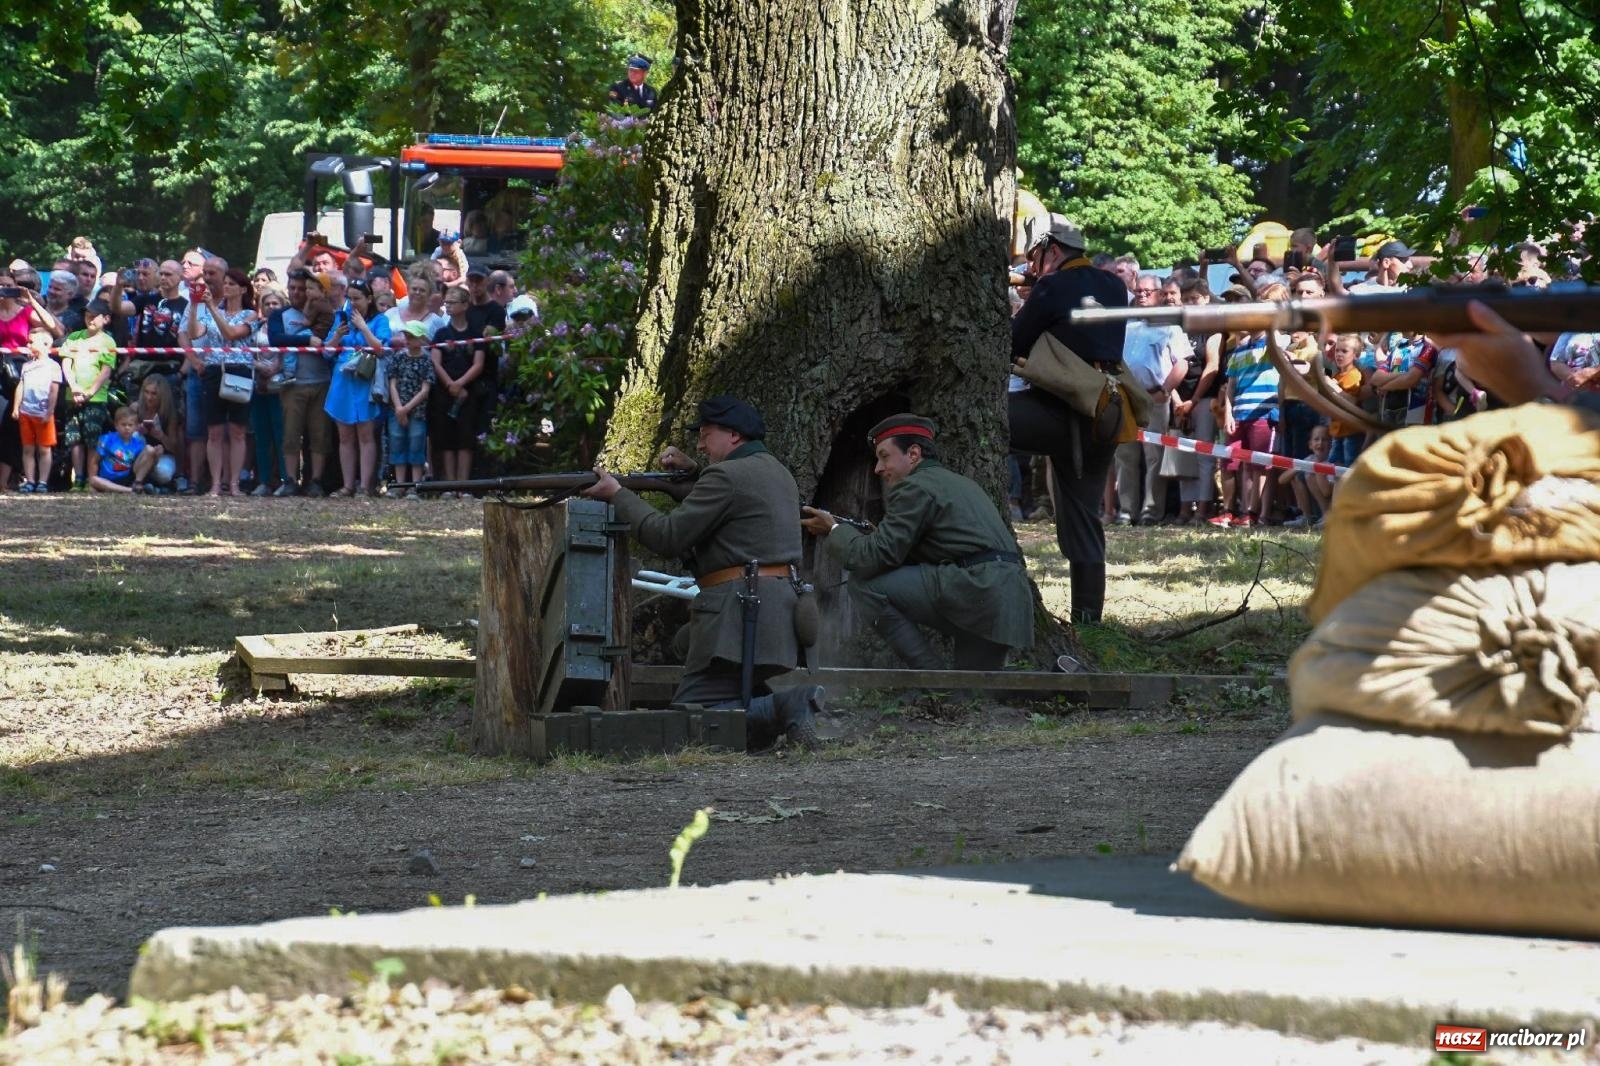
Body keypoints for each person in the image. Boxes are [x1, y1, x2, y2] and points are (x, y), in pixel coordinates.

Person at [579, 396, 822, 749]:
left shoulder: (726, 475)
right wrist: (696, 475)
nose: (699, 443)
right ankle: (775, 712)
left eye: (706, 435)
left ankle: (789, 705)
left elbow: (668, 536)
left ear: (734, 435)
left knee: (690, 720)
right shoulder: (775, 471)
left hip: (739, 617)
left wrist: (617, 494)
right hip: (773, 614)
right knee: (691, 653)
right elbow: (735, 511)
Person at [801, 414, 1034, 671]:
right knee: (972, 693)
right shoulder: (960, 483)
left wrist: (833, 529)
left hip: (978, 591)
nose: (878, 468)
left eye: (884, 456)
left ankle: (929, 673)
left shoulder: (914, 487)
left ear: (913, 454)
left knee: (864, 584)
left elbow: (869, 558)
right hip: (1006, 600)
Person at [1007, 216, 1130, 624]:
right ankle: (1088, 620)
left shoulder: (1052, 286)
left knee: (983, 423)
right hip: (1105, 412)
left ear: (1053, 251)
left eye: (1037, 257)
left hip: (1056, 413)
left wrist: (1032, 294)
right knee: (1084, 518)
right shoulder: (1115, 285)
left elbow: (1013, 342)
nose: (1033, 265)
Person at [185, 260, 257, 496]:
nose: (226, 287)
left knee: (237, 431)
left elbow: (231, 333)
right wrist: (196, 306)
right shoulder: (212, 311)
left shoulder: (250, 315)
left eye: (231, 284)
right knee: (214, 432)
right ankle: (215, 484)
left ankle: (234, 483)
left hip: (240, 370)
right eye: (224, 283)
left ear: (243, 289)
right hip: (214, 371)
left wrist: (212, 308)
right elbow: (195, 333)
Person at [323, 277, 389, 495]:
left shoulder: (380, 320)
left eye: (357, 299)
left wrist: (362, 327)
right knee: (345, 436)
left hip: (365, 378)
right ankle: (348, 485)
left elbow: (380, 348)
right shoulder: (340, 319)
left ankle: (365, 485)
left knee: (366, 435)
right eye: (349, 298)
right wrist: (336, 336)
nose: (353, 303)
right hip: (343, 379)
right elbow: (326, 352)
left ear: (369, 298)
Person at [427, 286, 486, 486]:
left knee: (465, 438)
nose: (448, 306)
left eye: (453, 303)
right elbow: (435, 361)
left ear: (464, 305)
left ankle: (464, 484)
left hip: (468, 393)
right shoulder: (441, 334)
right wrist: (450, 384)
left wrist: (461, 383)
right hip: (444, 392)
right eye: (447, 303)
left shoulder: (475, 333)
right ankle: (450, 484)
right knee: (446, 438)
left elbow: (478, 364)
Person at [59, 299, 119, 490]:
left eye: (95, 316)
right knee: (74, 439)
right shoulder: (74, 337)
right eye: (87, 315)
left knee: (92, 439)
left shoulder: (108, 341)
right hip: (72, 395)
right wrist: (74, 387)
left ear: (106, 319)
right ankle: (78, 479)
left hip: (96, 398)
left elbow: (106, 371)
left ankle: (92, 480)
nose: (90, 319)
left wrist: (90, 392)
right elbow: (66, 364)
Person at [386, 322, 435, 497]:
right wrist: (399, 408)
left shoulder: (427, 360)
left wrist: (406, 409)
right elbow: (392, 384)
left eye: (412, 336)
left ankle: (416, 485)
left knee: (416, 445)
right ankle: (400, 485)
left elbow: (425, 390)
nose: (408, 339)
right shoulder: (398, 357)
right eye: (406, 335)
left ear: (422, 339)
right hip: (397, 409)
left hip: (417, 412)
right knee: (397, 442)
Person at [12, 327, 63, 492]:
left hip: (43, 415)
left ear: (46, 344)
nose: (28, 344)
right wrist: (16, 407)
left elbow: (54, 391)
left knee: (44, 448)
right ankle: (30, 481)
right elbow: (21, 385)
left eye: (32, 341)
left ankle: (42, 481)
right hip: (26, 412)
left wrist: (50, 411)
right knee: (27, 448)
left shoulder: (53, 366)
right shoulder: (26, 366)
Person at [88, 406, 159, 493]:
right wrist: (92, 483)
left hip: (126, 479)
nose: (127, 428)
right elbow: (94, 461)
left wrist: (156, 455)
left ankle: (134, 486)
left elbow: (142, 465)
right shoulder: (107, 439)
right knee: (94, 479)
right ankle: (131, 491)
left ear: (136, 427)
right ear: (116, 425)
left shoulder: (138, 444)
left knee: (149, 449)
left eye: (130, 425)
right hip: (106, 479)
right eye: (123, 424)